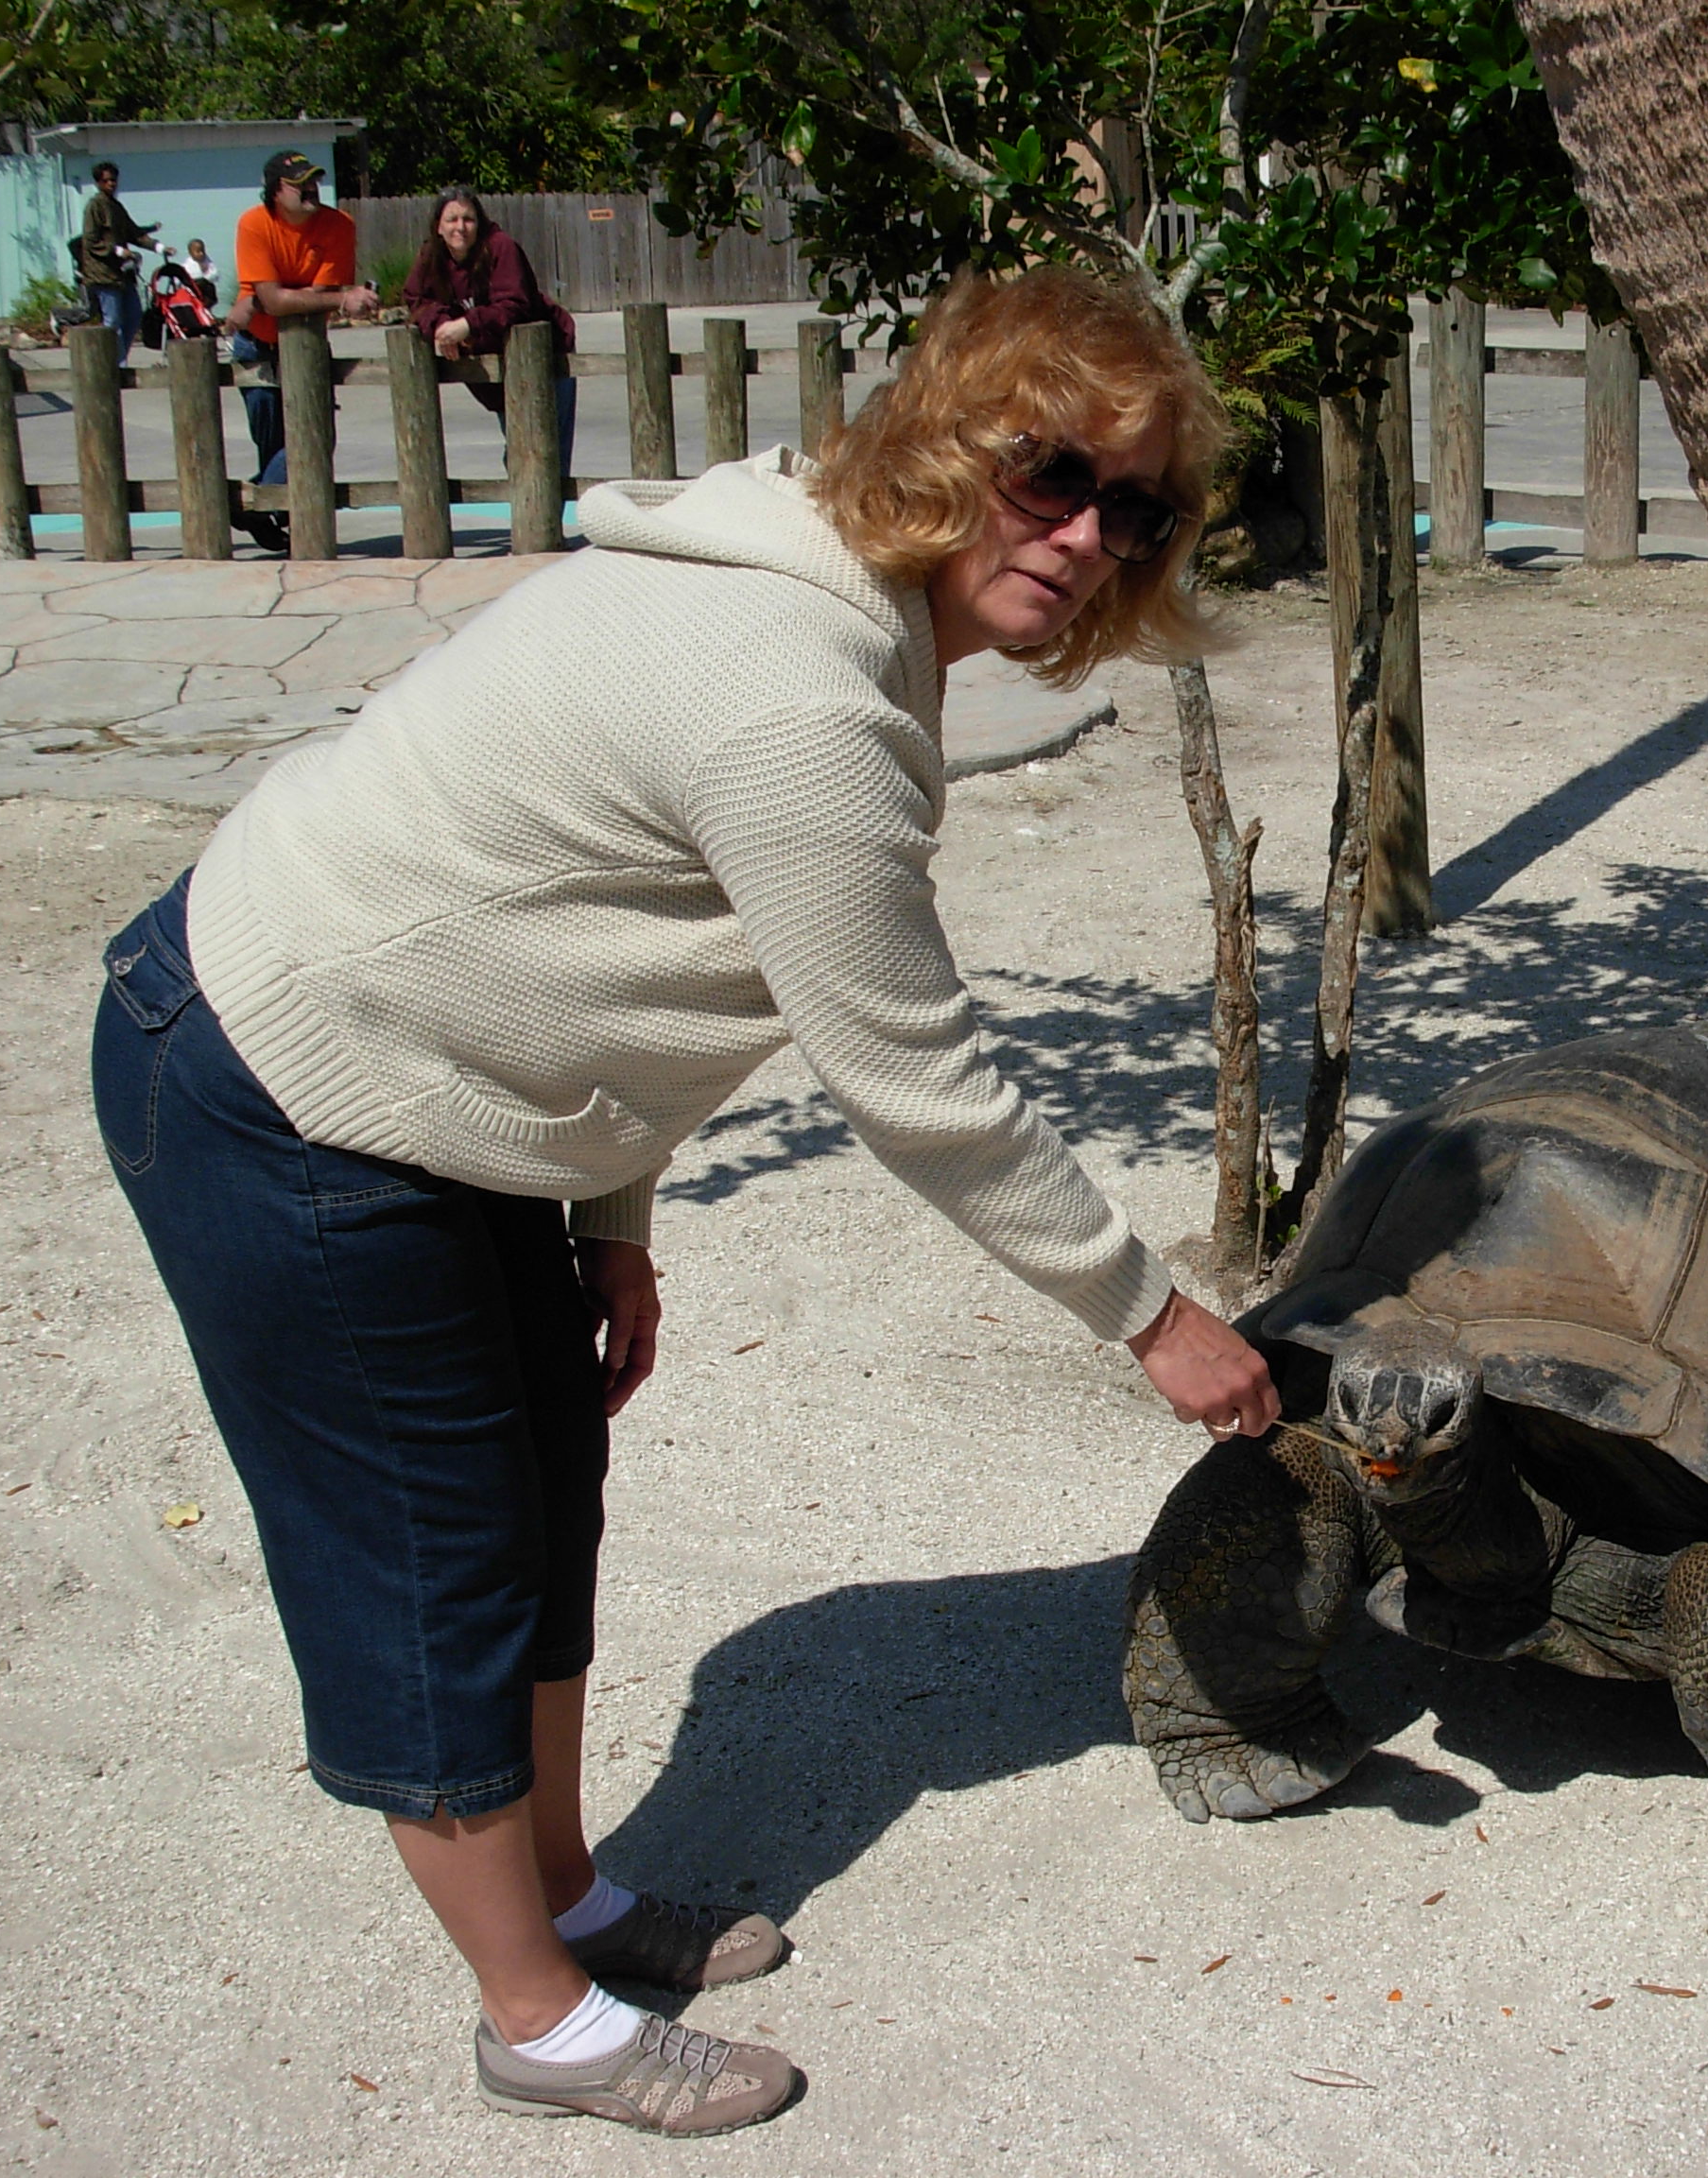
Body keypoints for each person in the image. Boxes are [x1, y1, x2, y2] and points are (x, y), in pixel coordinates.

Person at [90, 264, 1273, 2137]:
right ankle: (537, 2020)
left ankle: (563, 1892)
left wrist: (612, 1217)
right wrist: (1155, 1312)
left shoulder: (839, 599)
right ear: (952, 444)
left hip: (443, 1083)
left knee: (543, 1489)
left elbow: (586, 927)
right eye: (1052, 473)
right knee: (432, 1557)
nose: (1083, 537)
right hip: (288, 1083)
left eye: (1132, 510)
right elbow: (916, 1084)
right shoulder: (798, 688)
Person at [226, 150, 377, 552]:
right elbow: (278, 302)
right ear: (275, 191)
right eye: (299, 184)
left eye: (314, 181)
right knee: (271, 441)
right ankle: (270, 513)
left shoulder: (338, 224)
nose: (311, 189)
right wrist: (330, 299)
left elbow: (308, 296)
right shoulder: (254, 223)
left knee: (313, 435)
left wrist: (261, 300)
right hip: (256, 346)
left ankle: (248, 504)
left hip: (307, 345)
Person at [405, 185, 581, 493]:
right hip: (494, 365)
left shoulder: (501, 247)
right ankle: (527, 508)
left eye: (468, 219)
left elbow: (515, 304)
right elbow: (416, 300)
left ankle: (545, 519)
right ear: (438, 227)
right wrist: (442, 326)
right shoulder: (431, 256)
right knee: (518, 449)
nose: (460, 227)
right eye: (452, 219)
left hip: (546, 354)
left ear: (480, 222)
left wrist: (467, 325)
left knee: (545, 450)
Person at [74, 162, 157, 361]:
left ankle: (119, 359)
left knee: (134, 316)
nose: (111, 184)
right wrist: (119, 251)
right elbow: (90, 241)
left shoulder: (116, 206)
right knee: (113, 321)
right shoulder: (94, 206)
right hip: (102, 274)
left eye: (114, 180)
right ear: (98, 182)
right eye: (106, 180)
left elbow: (133, 233)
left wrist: (158, 247)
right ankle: (116, 366)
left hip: (122, 274)